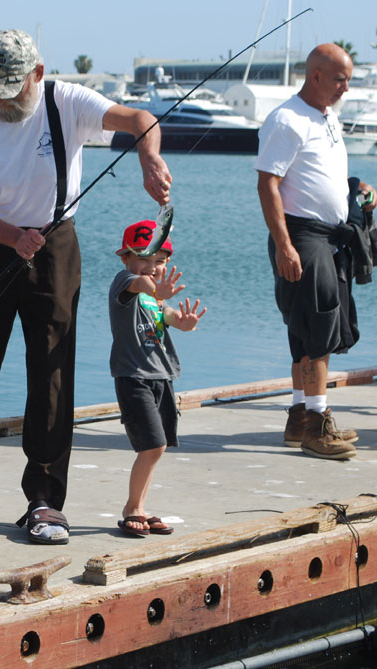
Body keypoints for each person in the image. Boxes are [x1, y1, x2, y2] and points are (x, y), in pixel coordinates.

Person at [0, 28, 173, 545]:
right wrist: (12, 237)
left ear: (37, 74)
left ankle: (44, 500)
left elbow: (141, 119)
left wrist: (149, 158)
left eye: (12, 88)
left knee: (52, 372)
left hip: (55, 245)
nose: (2, 100)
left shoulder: (68, 102)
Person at [254, 43, 377, 461]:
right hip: (302, 236)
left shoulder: (327, 116)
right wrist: (284, 245)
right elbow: (267, 184)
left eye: (348, 79)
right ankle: (318, 426)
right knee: (318, 325)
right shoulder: (287, 120)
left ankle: (300, 417)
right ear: (316, 76)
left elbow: (319, 174)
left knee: (305, 327)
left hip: (328, 236)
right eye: (341, 79)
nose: (346, 87)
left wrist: (356, 188)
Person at [109, 220, 205, 536]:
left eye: (159, 261)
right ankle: (132, 509)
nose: (152, 267)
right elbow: (139, 284)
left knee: (155, 448)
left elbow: (168, 315)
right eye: (143, 259)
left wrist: (185, 322)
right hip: (133, 376)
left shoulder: (156, 296)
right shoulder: (125, 283)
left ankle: (139, 506)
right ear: (126, 257)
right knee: (154, 446)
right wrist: (153, 286)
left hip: (161, 377)